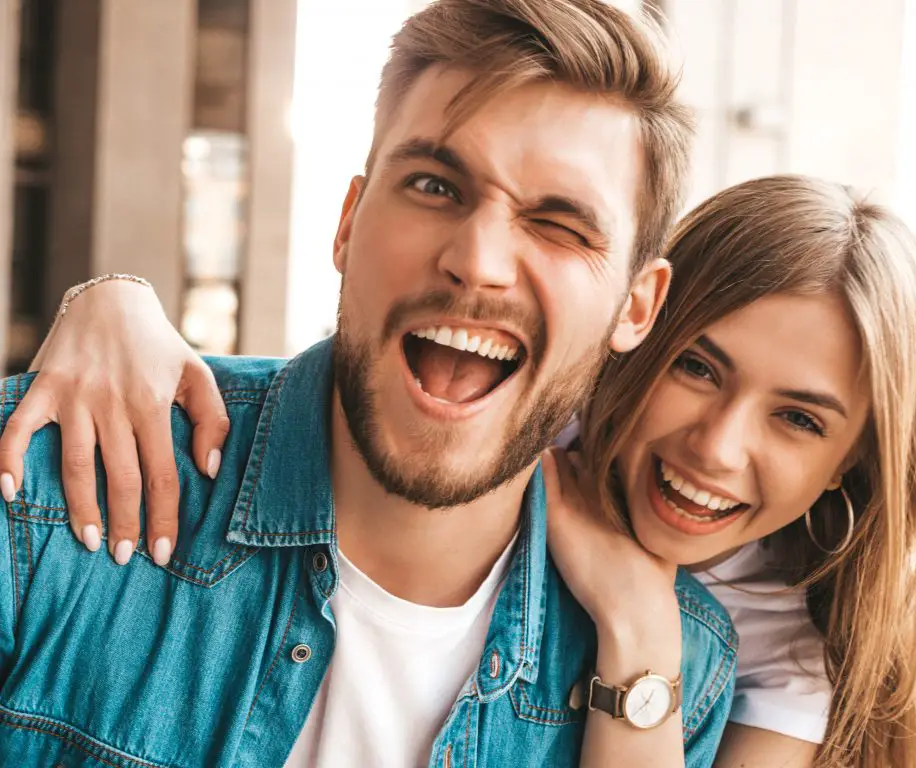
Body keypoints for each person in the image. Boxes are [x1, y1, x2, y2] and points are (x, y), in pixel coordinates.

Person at [0, 1, 737, 766]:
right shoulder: (49, 492)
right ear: (348, 223)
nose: (477, 261)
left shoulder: (671, 677)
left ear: (636, 306)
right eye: (435, 187)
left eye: (560, 225)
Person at [544, 175, 916, 767]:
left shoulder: (792, 663)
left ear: (851, 461)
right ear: (641, 326)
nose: (718, 449)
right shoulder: (520, 439)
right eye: (697, 368)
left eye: (798, 419)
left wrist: (641, 627)